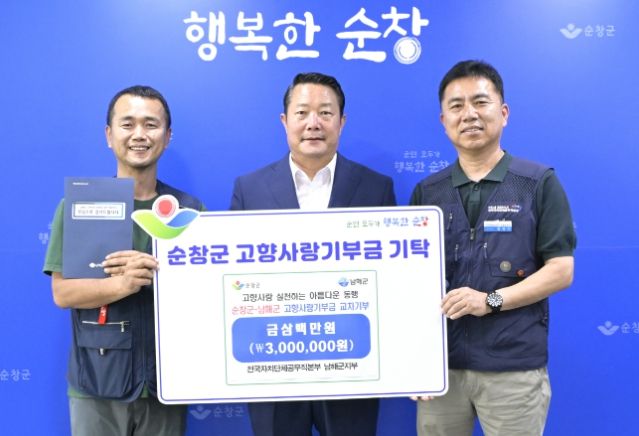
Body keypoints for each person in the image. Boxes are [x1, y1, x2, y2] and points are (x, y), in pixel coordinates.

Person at [409, 60, 576, 435]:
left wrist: (491, 300)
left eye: (480, 102)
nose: (469, 114)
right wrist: (415, 363)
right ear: (444, 121)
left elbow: (561, 270)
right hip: (441, 372)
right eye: (456, 106)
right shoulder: (427, 192)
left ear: (503, 113)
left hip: (512, 370)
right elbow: (409, 281)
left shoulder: (537, 183)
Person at [230, 72, 396, 436]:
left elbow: (393, 279)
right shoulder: (250, 189)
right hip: (273, 361)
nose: (313, 123)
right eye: (302, 112)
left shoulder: (376, 188)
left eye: (325, 112)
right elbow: (233, 278)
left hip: (351, 358)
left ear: (342, 121)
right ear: (284, 120)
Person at [43, 85, 204, 436]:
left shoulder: (189, 210)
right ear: (109, 135)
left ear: (167, 136)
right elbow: (62, 293)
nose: (139, 135)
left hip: (166, 383)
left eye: (151, 124)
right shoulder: (79, 206)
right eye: (127, 124)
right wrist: (122, 285)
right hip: (96, 384)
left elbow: (205, 295)